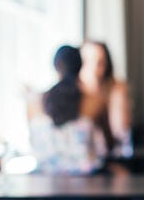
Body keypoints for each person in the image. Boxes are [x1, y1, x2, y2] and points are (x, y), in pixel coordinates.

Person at [28, 45, 107, 175]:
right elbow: (106, 146)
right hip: (88, 182)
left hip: (45, 181)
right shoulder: (95, 101)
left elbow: (33, 145)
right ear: (81, 66)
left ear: (56, 66)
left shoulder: (34, 103)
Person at [79, 40, 132, 151]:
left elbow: (121, 132)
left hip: (107, 156)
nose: (94, 68)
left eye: (100, 62)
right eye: (88, 61)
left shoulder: (115, 90)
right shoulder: (69, 94)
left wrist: (118, 97)